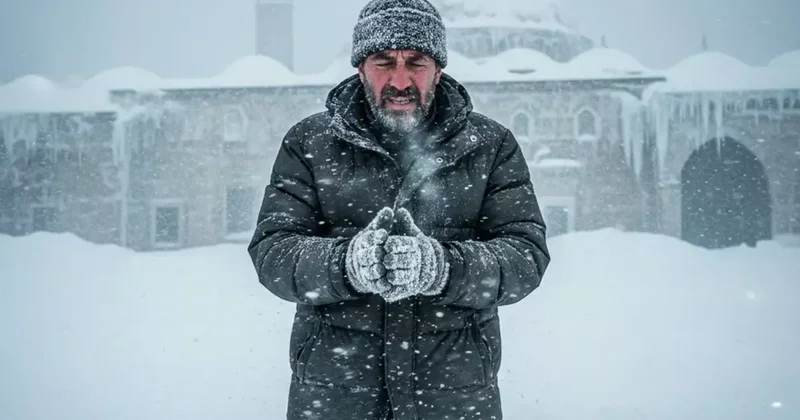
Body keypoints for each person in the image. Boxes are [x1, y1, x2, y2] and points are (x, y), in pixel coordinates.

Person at [247, 0, 551, 418]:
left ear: (439, 70)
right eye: (384, 61)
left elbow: (525, 255)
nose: (400, 79)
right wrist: (344, 263)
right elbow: (272, 252)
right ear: (359, 68)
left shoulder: (489, 146)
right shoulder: (309, 143)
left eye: (417, 62)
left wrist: (443, 267)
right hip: (335, 396)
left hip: (454, 397)